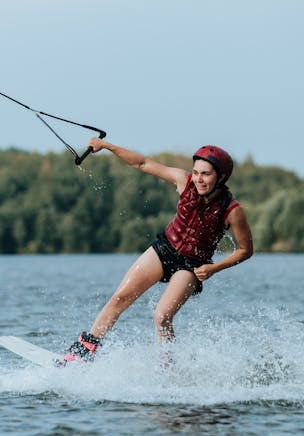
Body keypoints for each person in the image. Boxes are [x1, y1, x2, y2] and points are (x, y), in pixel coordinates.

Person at [63, 138, 254, 363]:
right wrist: (108, 147)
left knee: (162, 317)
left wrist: (214, 268)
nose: (199, 179)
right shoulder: (184, 180)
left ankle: (168, 371)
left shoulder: (232, 210)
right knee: (120, 297)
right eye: (196, 172)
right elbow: (142, 164)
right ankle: (84, 351)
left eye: (206, 174)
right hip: (164, 249)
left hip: (191, 265)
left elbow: (245, 250)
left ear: (221, 177)